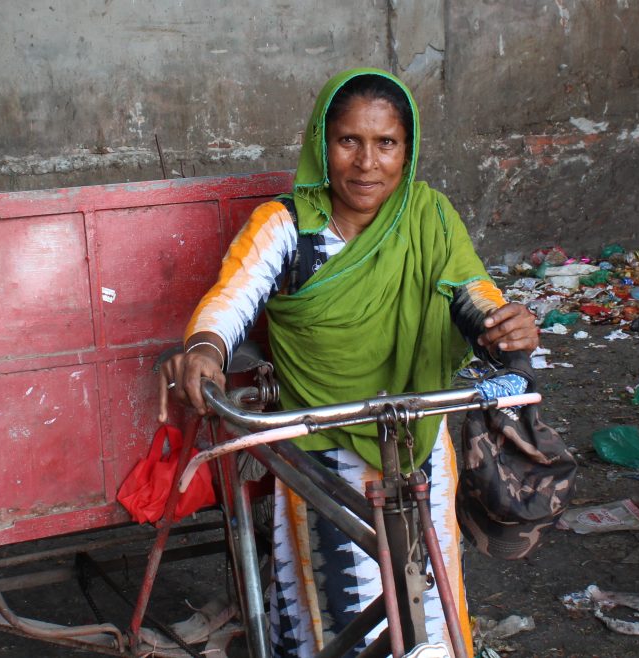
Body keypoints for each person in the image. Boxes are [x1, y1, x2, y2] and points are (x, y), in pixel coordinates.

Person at [158, 68, 538, 657]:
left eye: (386, 144)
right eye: (348, 141)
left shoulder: (429, 217)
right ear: (321, 143)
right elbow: (231, 300)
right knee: (336, 608)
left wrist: (505, 327)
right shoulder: (286, 225)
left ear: (407, 152)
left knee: (431, 598)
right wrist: (205, 350)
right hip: (321, 443)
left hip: (418, 432)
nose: (366, 164)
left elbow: (472, 294)